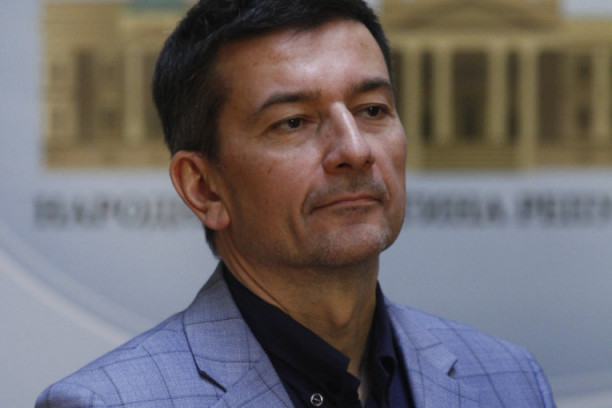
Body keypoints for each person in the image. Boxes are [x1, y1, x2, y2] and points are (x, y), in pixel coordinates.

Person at [36, 0, 557, 407]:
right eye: (293, 122)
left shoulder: (510, 381)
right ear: (204, 188)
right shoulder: (107, 403)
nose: (355, 149)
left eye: (373, 110)